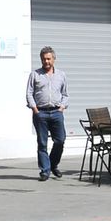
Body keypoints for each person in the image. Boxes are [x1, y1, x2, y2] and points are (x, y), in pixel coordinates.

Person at [26, 46, 69, 180]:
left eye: (49, 59)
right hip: (41, 113)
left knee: (60, 140)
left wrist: (62, 107)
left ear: (54, 59)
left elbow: (65, 94)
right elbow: (29, 93)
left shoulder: (61, 75)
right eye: (44, 59)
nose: (46, 62)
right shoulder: (35, 74)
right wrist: (35, 110)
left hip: (56, 112)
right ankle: (45, 171)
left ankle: (53, 164)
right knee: (42, 143)